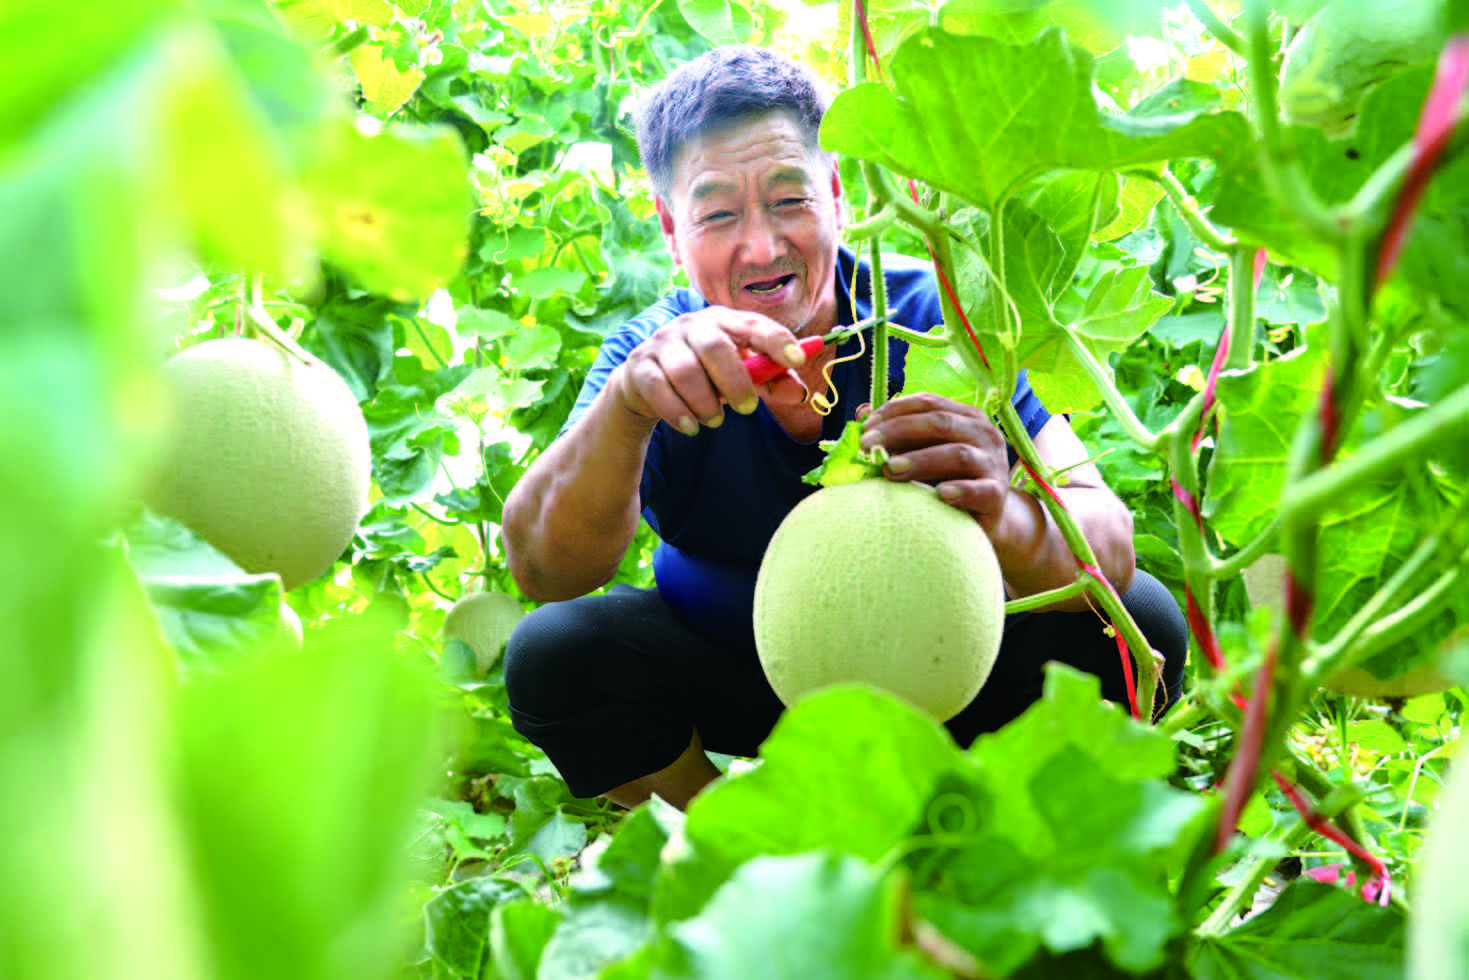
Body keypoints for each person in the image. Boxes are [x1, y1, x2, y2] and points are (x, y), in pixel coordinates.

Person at [499, 46, 1187, 811]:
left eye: (789, 199)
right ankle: (743, 831)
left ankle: (979, 827)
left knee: (1140, 621)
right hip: (747, 681)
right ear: (670, 228)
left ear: (834, 194)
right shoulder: (653, 355)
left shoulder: (940, 318)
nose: (762, 246)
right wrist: (627, 409)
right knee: (554, 655)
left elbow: (1107, 543)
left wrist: (1003, 513)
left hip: (948, 680)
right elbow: (544, 571)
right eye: (718, 214)